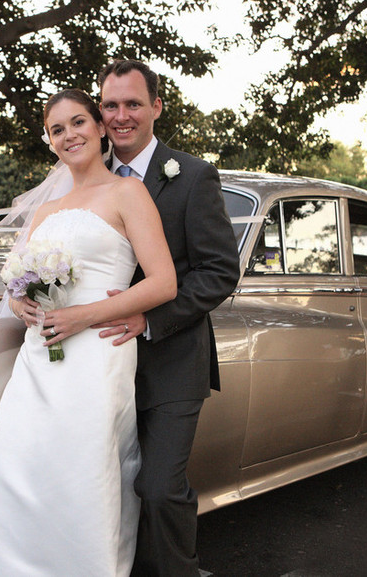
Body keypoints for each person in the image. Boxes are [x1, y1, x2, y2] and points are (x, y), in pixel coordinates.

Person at [0, 89, 177, 576]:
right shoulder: (44, 211)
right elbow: (19, 281)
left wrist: (83, 317)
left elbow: (164, 282)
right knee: (24, 469)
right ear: (50, 141)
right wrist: (21, 301)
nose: (69, 135)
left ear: (100, 128)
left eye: (78, 122)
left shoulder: (128, 193)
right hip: (38, 360)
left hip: (98, 356)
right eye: (57, 129)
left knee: (85, 471)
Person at [93, 59, 240, 576]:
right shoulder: (87, 179)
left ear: (156, 107)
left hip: (173, 361)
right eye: (110, 105)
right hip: (98, 364)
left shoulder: (193, 175)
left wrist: (149, 320)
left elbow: (220, 271)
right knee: (101, 488)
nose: (121, 116)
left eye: (133, 103)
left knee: (158, 489)